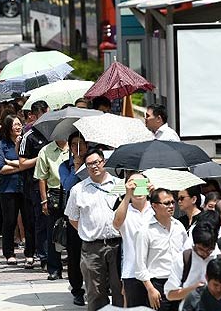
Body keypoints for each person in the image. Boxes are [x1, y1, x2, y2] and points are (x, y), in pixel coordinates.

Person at [65, 148, 124, 311]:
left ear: (103, 162)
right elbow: (72, 218)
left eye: (96, 162)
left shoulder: (120, 185)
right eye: (89, 164)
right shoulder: (78, 189)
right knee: (96, 293)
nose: (94, 166)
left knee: (120, 290)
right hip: (91, 248)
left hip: (118, 245)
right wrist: (89, 231)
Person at [133, 187, 187, 311]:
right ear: (154, 206)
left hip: (178, 283)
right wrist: (151, 289)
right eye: (167, 203)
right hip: (158, 285)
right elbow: (140, 266)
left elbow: (186, 253)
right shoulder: (145, 231)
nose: (172, 206)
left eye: (173, 202)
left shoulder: (179, 227)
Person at [0, 114, 34, 266]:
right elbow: (1, 168)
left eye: (19, 124)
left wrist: (13, 162)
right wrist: (21, 166)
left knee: (29, 221)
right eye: (15, 124)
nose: (18, 127)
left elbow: (32, 163)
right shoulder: (1, 145)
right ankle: (9, 253)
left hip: (26, 187)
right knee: (9, 221)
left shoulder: (26, 142)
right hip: (8, 188)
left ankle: (30, 253)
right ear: (7, 127)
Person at [113, 174, 154, 308]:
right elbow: (117, 224)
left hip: (155, 270)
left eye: (140, 183)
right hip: (132, 272)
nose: (136, 186)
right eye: (132, 183)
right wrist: (127, 195)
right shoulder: (125, 210)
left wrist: (155, 195)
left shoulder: (155, 208)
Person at [165, 220, 221, 303]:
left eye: (210, 250)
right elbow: (170, 295)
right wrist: (193, 289)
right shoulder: (183, 259)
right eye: (201, 249)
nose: (205, 253)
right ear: (194, 244)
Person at [18, 101, 50, 268]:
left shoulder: (52, 135)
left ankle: (52, 255)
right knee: (39, 220)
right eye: (44, 114)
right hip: (34, 185)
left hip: (52, 184)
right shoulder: (28, 136)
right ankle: (42, 256)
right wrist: (42, 158)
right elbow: (22, 163)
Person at [57, 131, 87, 305]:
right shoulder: (64, 166)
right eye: (74, 143)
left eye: (81, 143)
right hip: (74, 216)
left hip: (92, 214)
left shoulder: (95, 162)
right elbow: (67, 185)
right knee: (75, 255)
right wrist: (76, 169)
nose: (78, 147)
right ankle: (77, 290)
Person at [35, 136, 70, 280]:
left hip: (72, 191)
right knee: (52, 233)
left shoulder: (75, 148)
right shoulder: (45, 150)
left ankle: (74, 268)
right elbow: (41, 177)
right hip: (54, 193)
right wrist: (44, 201)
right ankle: (54, 269)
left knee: (74, 233)